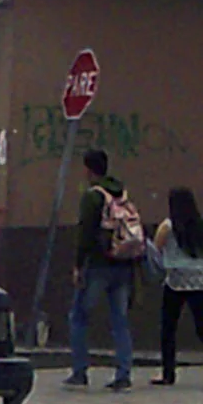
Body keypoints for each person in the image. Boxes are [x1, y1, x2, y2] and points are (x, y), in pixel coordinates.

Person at [64, 148, 134, 389]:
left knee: (79, 316)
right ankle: (123, 373)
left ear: (88, 169)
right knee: (119, 320)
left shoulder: (93, 196)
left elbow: (85, 234)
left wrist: (78, 265)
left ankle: (80, 370)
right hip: (122, 263)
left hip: (98, 265)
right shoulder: (120, 192)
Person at [152, 186, 203, 388]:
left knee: (168, 328)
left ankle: (168, 374)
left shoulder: (168, 226)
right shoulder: (201, 226)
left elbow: (156, 249)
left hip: (176, 281)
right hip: (201, 281)